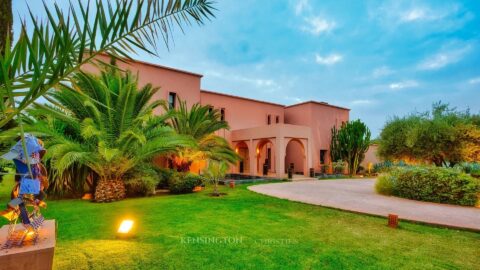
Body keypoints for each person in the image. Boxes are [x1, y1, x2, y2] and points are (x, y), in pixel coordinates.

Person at [0, 134, 47, 225]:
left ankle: (17, 209)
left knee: (29, 196)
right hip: (28, 177)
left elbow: (34, 161)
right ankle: (23, 218)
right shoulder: (30, 150)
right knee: (23, 198)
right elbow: (30, 160)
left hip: (29, 177)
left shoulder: (35, 160)